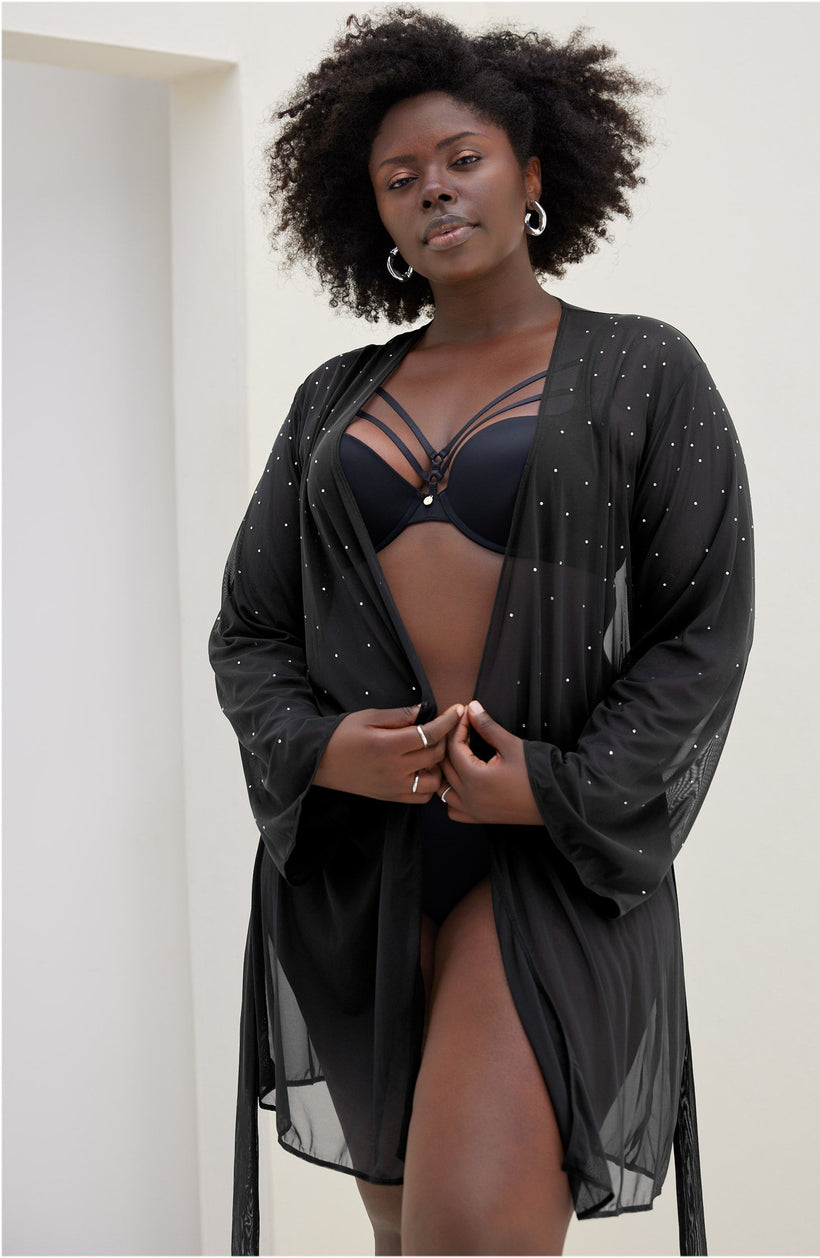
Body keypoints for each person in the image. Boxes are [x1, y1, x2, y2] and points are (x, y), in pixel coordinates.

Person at [209, 8, 754, 1256]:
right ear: (373, 216)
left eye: (462, 158)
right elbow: (249, 630)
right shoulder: (331, 397)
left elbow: (702, 630)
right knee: (407, 1239)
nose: (433, 190)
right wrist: (323, 749)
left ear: (534, 173)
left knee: (468, 1236)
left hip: (547, 861)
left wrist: (555, 786)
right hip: (356, 872)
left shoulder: (642, 370)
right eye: (399, 178)